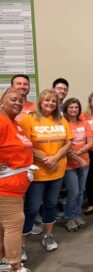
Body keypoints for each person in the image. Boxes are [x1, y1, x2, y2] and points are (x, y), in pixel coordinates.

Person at [20, 89, 72, 258]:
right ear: (40, 102)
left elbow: (68, 142)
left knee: (50, 205)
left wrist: (55, 157)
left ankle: (48, 236)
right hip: (37, 174)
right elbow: (25, 144)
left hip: (57, 171)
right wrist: (44, 159)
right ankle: (21, 245)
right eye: (47, 100)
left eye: (53, 101)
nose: (50, 104)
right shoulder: (29, 119)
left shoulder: (61, 119)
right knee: (32, 208)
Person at [0, 87, 33, 272]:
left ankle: (3, 263)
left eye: (21, 100)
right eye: (13, 99)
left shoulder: (15, 123)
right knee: (13, 227)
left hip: (16, 189)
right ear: (2, 101)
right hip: (5, 189)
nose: (18, 102)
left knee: (4, 229)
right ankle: (15, 267)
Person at [63, 98, 93, 232]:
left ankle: (76, 215)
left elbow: (90, 141)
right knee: (73, 192)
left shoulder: (84, 123)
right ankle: (69, 218)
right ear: (66, 109)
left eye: (76, 107)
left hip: (85, 161)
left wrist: (81, 151)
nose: (74, 110)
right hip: (70, 165)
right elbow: (64, 146)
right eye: (71, 107)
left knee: (81, 191)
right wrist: (77, 157)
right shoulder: (62, 123)